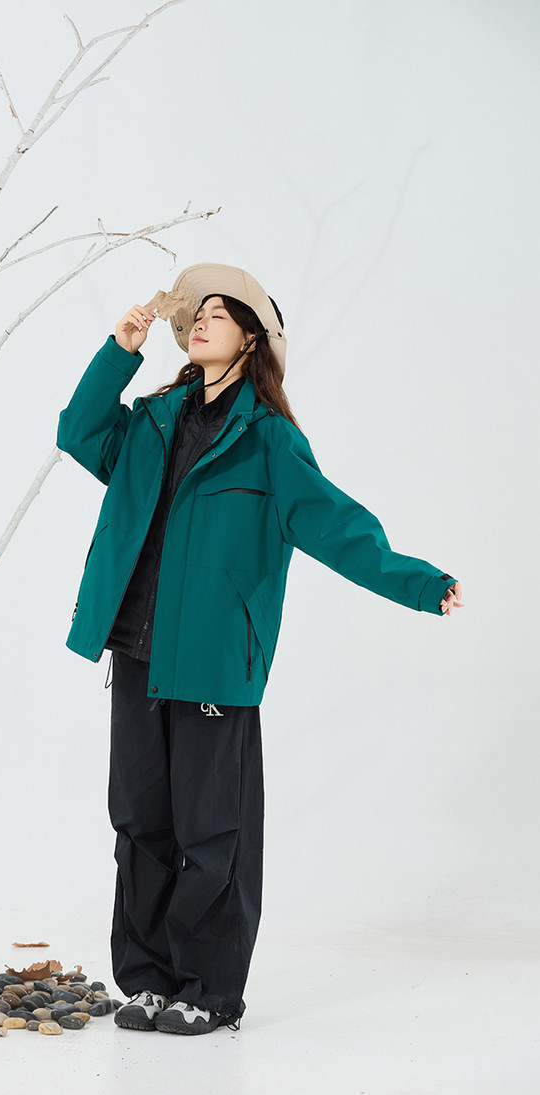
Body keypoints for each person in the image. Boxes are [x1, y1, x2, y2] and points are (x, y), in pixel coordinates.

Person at [56, 262, 463, 1036]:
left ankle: (209, 990)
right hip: (136, 650)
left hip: (215, 660)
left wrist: (419, 583)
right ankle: (147, 980)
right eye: (198, 312)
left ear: (251, 339)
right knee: (140, 822)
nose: (202, 320)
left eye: (221, 312)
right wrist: (119, 351)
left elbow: (339, 527)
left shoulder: (269, 441)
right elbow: (77, 433)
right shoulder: (151, 420)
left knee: (213, 831)